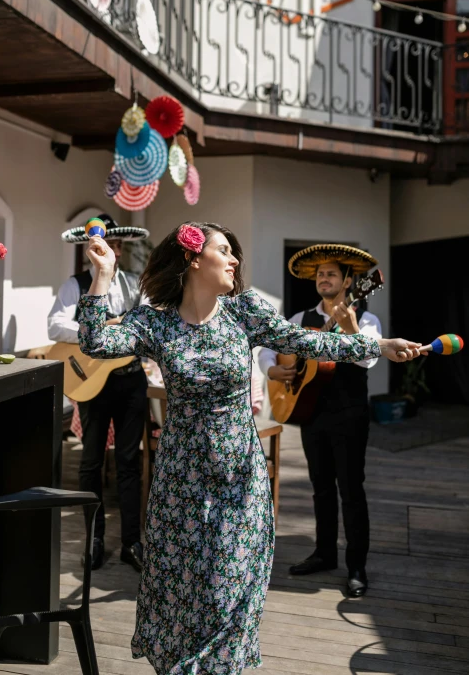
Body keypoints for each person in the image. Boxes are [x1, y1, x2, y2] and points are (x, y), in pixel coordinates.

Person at [77, 222, 421, 675]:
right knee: (185, 595)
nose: (236, 259)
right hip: (180, 487)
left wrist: (375, 343)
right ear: (194, 258)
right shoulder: (155, 321)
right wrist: (103, 273)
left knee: (228, 592)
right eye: (225, 250)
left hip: (239, 482)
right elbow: (96, 341)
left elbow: (307, 341)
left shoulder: (245, 312)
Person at [259, 244, 383, 598]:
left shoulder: (367, 319)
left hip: (349, 414)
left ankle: (357, 565)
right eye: (319, 274)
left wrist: (352, 327)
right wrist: (274, 369)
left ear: (349, 282)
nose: (323, 279)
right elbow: (270, 347)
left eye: (331, 273)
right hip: (311, 413)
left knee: (351, 489)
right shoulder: (300, 319)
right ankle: (325, 553)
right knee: (321, 488)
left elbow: (368, 361)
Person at [47, 214, 149, 572]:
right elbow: (55, 325)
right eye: (101, 243)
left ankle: (132, 543)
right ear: (91, 249)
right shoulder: (75, 284)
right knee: (90, 463)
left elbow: (148, 325)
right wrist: (97, 330)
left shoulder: (138, 285)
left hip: (131, 380)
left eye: (114, 243)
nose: (108, 248)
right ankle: (92, 538)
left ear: (118, 248)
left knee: (128, 462)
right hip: (90, 380)